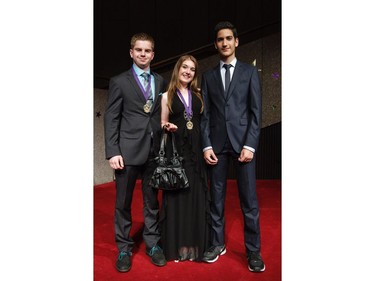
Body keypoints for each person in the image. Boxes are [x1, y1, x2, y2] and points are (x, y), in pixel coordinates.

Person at [200, 21, 265, 272]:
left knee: (249, 200)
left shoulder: (249, 73)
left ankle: (253, 251)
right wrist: (206, 146)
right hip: (217, 146)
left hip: (242, 146)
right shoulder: (208, 76)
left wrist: (250, 144)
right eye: (220, 39)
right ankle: (217, 244)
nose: (224, 43)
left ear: (236, 41)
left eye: (228, 38)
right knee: (215, 199)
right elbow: (205, 116)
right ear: (215, 44)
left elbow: (255, 113)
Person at [104, 32, 167, 273]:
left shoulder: (160, 80)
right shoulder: (119, 81)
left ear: (153, 54)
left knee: (152, 202)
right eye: (138, 50)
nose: (143, 54)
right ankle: (123, 248)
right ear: (131, 52)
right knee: (123, 203)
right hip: (127, 152)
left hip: (153, 151)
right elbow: (112, 118)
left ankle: (152, 244)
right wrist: (113, 151)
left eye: (147, 50)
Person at [160, 55, 211, 262]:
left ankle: (195, 246)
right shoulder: (166, 96)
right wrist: (167, 126)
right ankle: (177, 246)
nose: (188, 71)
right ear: (177, 69)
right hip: (177, 154)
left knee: (195, 198)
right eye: (184, 67)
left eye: (192, 69)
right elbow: (162, 122)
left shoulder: (198, 96)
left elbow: (203, 123)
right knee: (177, 199)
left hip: (197, 156)